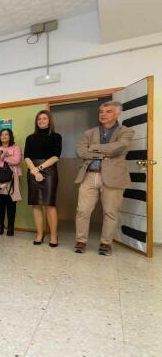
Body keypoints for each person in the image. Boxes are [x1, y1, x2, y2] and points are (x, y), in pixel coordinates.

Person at [74, 101, 134, 256]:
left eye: (108, 111)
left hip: (113, 177)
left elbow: (119, 148)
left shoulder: (126, 131)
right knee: (82, 211)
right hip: (89, 175)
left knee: (110, 212)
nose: (103, 114)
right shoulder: (89, 133)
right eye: (101, 111)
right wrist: (105, 152)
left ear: (118, 113)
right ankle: (81, 241)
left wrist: (94, 148)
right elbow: (80, 152)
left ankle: (106, 244)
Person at [24, 110, 62, 247]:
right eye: (39, 119)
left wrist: (39, 169)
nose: (41, 121)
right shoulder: (30, 138)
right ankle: (39, 234)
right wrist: (33, 170)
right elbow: (26, 156)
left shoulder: (56, 136)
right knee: (36, 204)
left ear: (49, 120)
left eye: (44, 118)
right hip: (33, 170)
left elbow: (56, 156)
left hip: (49, 171)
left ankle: (53, 235)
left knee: (50, 205)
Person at [0, 129, 22, 236]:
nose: (4, 136)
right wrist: (7, 159)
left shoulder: (16, 147)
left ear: (10, 136)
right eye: (2, 135)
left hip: (13, 178)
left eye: (6, 134)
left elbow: (17, 160)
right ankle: (0, 226)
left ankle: (11, 227)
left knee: (11, 204)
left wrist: (2, 158)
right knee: (0, 203)